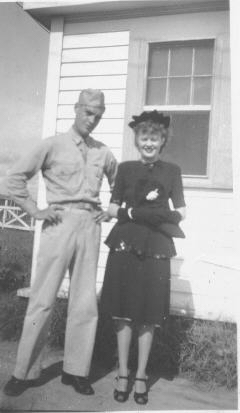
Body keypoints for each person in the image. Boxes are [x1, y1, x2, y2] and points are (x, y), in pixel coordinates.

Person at [3, 89, 118, 397]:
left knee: (84, 303)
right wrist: (35, 210)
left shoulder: (103, 152)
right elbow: (14, 178)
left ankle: (76, 371)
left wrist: (110, 210)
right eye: (88, 112)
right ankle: (24, 373)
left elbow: (120, 185)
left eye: (98, 114)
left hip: (89, 225)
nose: (92, 119)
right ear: (76, 109)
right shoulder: (52, 145)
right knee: (42, 299)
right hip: (58, 222)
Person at [100, 110, 186, 405]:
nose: (149, 142)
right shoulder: (125, 169)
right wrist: (135, 213)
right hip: (125, 243)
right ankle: (123, 372)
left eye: (155, 137)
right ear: (137, 139)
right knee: (123, 311)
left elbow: (181, 212)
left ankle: (141, 375)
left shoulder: (172, 171)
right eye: (144, 137)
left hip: (157, 245)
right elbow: (112, 209)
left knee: (148, 314)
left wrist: (138, 214)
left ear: (163, 140)